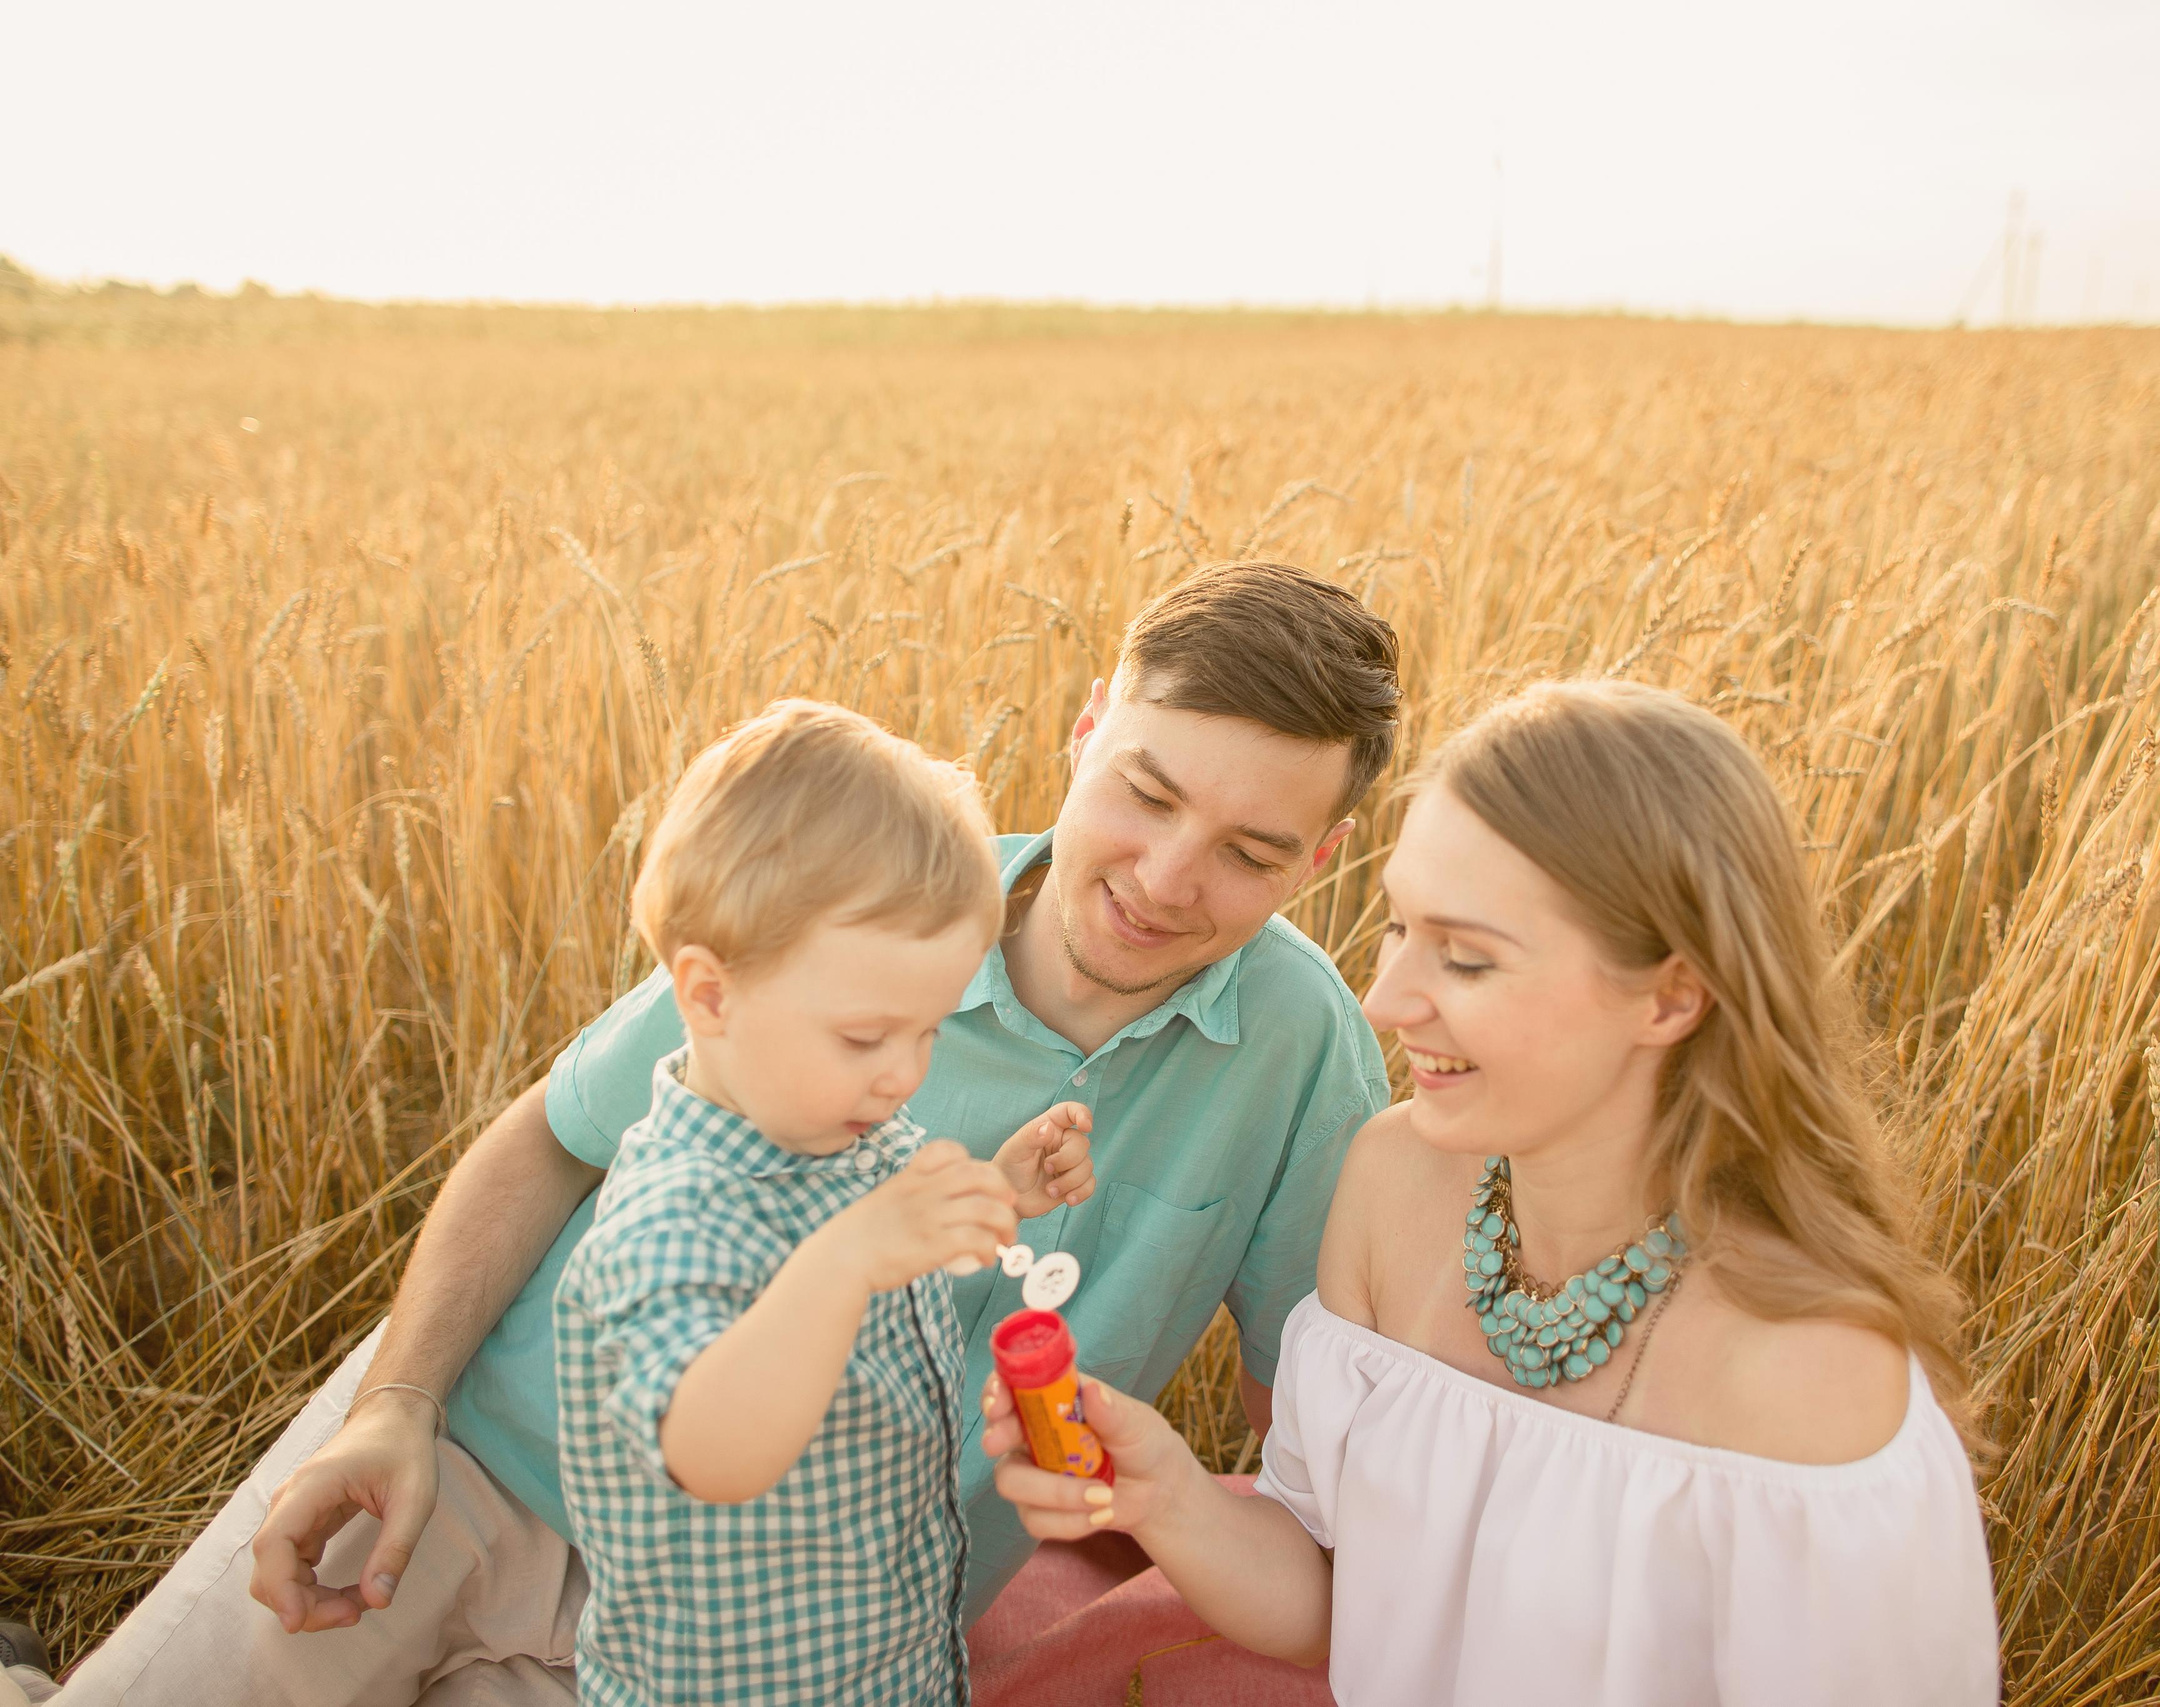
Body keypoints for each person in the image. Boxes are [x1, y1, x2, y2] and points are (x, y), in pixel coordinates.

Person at [61, 560, 1399, 1706]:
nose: (1167, 880)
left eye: (1249, 849)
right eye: (1147, 794)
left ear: (1324, 856)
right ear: (1087, 724)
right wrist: (395, 1409)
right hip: (478, 1454)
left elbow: (1308, 1420)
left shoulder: (1304, 1046)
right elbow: (550, 1140)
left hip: (760, 1634)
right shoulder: (875, 886)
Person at [987, 679, 2003, 1706]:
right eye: (1398, 932)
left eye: (1466, 959)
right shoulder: (1390, 1184)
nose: (1384, 1002)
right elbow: (1338, 1606)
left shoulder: (1813, 1377)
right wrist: (1166, 1494)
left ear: (1670, 996)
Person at [555, 700, 1094, 1705]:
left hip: (884, 1662)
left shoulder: (842, 1131)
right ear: (710, 996)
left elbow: (888, 1252)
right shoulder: (670, 1219)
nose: (902, 1076)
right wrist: (845, 1260)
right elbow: (711, 1451)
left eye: (928, 1032)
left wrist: (1000, 1189)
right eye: (864, 1038)